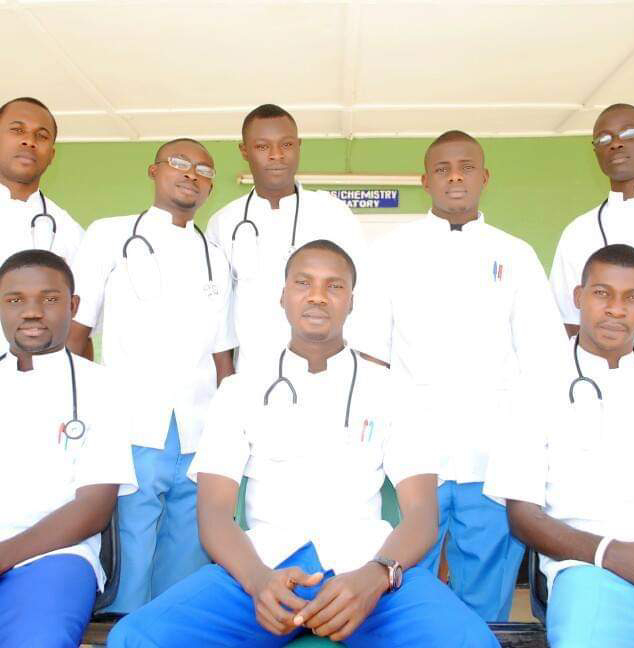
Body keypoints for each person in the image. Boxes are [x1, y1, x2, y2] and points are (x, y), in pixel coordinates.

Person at [107, 240, 498, 648]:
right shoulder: (239, 391)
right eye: (303, 283)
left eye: (334, 286)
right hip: (263, 570)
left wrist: (377, 575)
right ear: (282, 296)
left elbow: (421, 514)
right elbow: (214, 512)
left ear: (351, 301)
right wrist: (257, 582)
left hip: (365, 571)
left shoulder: (393, 390)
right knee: (135, 638)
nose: (317, 296)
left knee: (471, 642)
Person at [356, 130, 569, 622]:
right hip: (411, 456)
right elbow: (370, 358)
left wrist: (533, 445)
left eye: (466, 167)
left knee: (486, 595)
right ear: (425, 180)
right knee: (404, 588)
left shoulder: (515, 255)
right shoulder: (388, 253)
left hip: (493, 455)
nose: (455, 177)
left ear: (484, 177)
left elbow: (544, 359)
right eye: (443, 168)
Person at [66, 138, 237, 612]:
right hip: (131, 424)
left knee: (188, 553)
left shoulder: (216, 256)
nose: (191, 174)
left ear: (211, 187)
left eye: (204, 169)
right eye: (179, 163)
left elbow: (223, 355)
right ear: (153, 170)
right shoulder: (109, 235)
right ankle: (123, 631)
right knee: (129, 550)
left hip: (198, 431)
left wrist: (227, 431)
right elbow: (76, 333)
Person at [486, 244, 634, 648]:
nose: (616, 309)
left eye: (633, 297)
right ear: (578, 297)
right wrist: (612, 554)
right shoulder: (533, 383)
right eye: (602, 293)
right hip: (591, 571)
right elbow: (523, 517)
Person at [0, 250, 136, 648]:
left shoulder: (102, 387)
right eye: (15, 300)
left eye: (50, 298)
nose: (32, 311)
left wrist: (4, 554)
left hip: (56, 557)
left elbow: (93, 508)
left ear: (73, 306)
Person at [206, 104, 367, 376]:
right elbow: (216, 308)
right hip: (253, 373)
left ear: (299, 146)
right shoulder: (224, 222)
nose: (276, 155)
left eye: (287, 144)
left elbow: (363, 293)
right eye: (262, 146)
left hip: (328, 373)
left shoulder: (333, 213)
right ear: (244, 151)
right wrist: (225, 375)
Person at [551, 103, 634, 338]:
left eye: (629, 133)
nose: (615, 143)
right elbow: (567, 322)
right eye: (604, 139)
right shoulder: (579, 231)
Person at [0, 97, 84, 354]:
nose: (29, 141)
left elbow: (79, 330)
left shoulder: (70, 232)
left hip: (38, 373)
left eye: (42, 135)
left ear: (52, 155)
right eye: (17, 130)